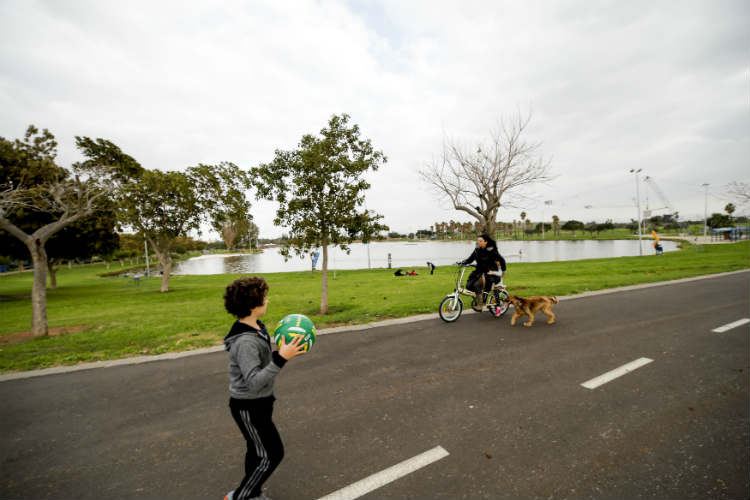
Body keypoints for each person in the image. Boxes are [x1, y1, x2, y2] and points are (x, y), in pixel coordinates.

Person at [222, 277, 306, 500]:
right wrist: (281, 358)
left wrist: (282, 351)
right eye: (263, 298)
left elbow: (263, 363)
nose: (267, 300)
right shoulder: (245, 342)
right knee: (272, 453)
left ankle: (252, 491)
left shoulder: (256, 327)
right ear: (253, 305)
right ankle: (241, 497)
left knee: (257, 450)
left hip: (260, 402)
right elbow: (254, 381)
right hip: (248, 406)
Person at [458, 234, 506, 310]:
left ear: (486, 242)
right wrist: (462, 262)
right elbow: (470, 259)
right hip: (480, 272)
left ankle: (481, 304)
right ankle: (480, 297)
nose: (478, 243)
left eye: (480, 241)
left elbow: (502, 260)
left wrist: (503, 271)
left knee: (477, 284)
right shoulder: (477, 250)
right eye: (478, 241)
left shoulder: (492, 251)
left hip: (491, 274)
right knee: (469, 285)